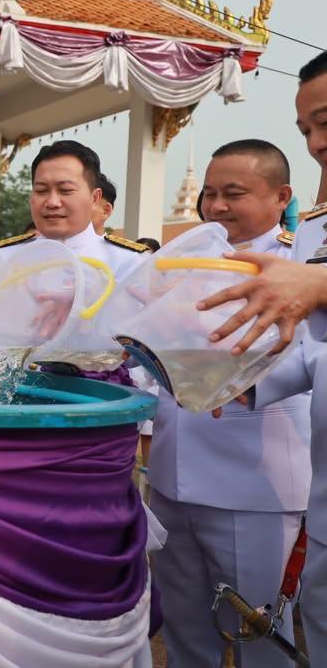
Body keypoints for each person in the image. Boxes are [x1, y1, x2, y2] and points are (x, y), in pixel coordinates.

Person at [148, 138, 308, 668]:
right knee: (185, 632)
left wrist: (231, 380)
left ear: (279, 196)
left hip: (251, 485)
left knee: (261, 637)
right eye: (210, 194)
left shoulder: (301, 266)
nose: (215, 206)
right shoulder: (185, 261)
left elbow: (307, 358)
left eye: (232, 194)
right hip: (172, 477)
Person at [198, 52, 327, 662]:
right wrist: (241, 383)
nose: (317, 143)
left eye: (326, 122)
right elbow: (313, 354)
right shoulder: (316, 233)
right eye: (306, 130)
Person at [0, 140, 148, 277]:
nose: (52, 202)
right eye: (41, 191)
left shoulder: (128, 263)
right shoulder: (3, 259)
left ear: (94, 198)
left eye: (65, 190)